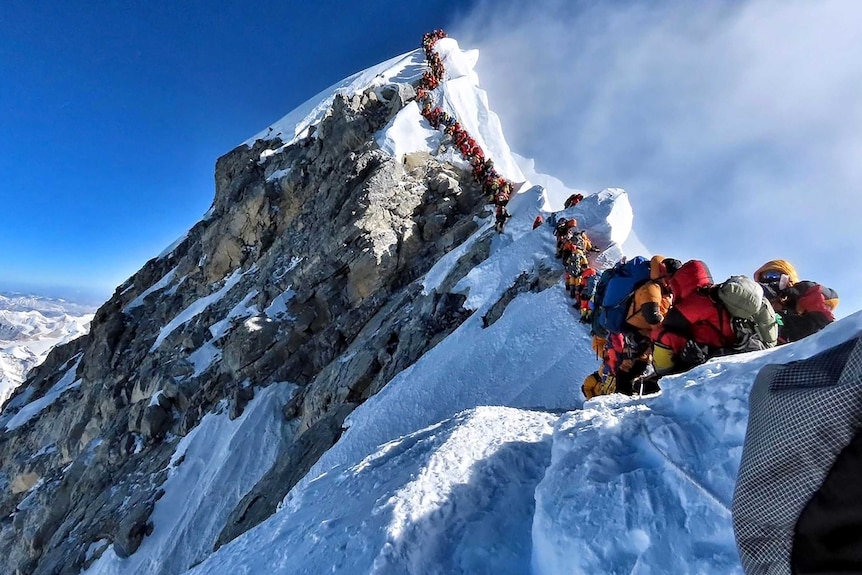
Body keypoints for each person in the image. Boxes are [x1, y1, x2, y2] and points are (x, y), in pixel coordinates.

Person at [753, 259, 838, 344]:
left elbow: (829, 301)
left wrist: (805, 289)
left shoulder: (800, 305)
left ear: (787, 279)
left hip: (810, 349)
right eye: (764, 277)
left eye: (773, 275)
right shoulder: (757, 309)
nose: (768, 280)